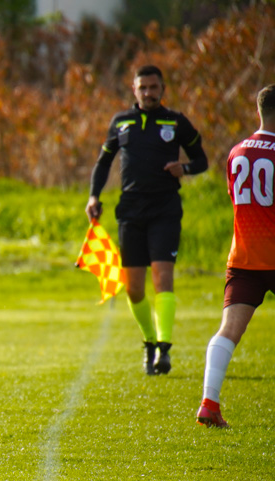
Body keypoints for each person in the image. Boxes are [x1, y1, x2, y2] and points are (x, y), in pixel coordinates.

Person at [86, 65, 208, 375]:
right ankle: (150, 343)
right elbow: (103, 163)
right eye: (143, 88)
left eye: (154, 87)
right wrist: (94, 196)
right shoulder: (121, 122)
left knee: (163, 278)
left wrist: (187, 169)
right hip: (130, 210)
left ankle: (164, 350)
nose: (148, 93)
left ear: (162, 88)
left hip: (165, 208)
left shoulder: (176, 121)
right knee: (134, 288)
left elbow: (202, 160)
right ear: (134, 89)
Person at [196, 85, 275, 429]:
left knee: (228, 330)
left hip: (244, 257)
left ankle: (209, 403)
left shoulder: (237, 151)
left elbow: (237, 197)